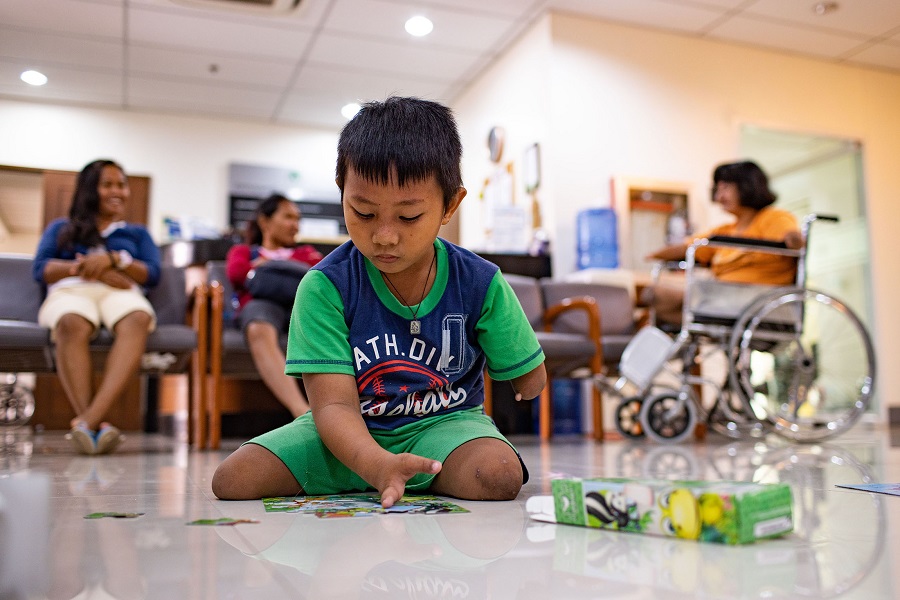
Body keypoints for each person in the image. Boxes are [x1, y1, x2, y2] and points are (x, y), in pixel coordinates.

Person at [212, 96, 547, 507]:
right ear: (343, 194)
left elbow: (531, 378)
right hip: (347, 429)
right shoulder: (324, 287)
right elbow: (334, 405)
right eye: (363, 212)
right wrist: (374, 462)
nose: (385, 236)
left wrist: (526, 373)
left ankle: (407, 472)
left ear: (450, 205)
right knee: (233, 480)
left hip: (445, 426)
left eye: (408, 217)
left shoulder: (481, 281)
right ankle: (385, 473)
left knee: (497, 475)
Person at [32, 159, 161, 454]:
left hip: (121, 292)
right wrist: (93, 269)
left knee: (138, 317)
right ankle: (96, 425)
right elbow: (42, 268)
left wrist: (116, 260)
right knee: (70, 322)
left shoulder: (137, 233)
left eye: (121, 185)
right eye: (108, 185)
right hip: (72, 291)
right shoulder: (62, 228)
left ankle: (86, 422)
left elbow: (153, 273)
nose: (118, 191)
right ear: (90, 190)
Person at [643, 160, 802, 325]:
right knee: (656, 309)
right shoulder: (725, 231)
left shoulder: (772, 218)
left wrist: (794, 240)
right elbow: (687, 247)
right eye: (717, 190)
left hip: (755, 297)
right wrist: (652, 254)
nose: (719, 197)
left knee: (658, 297)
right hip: (723, 296)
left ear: (747, 187)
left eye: (725, 188)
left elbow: (792, 238)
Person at [225, 194, 323, 418]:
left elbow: (322, 275)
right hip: (262, 305)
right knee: (258, 327)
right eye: (288, 217)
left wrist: (271, 264)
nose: (295, 225)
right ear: (264, 222)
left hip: (301, 306)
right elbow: (236, 273)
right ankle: (302, 412)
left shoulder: (306, 252)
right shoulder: (244, 252)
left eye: (298, 219)